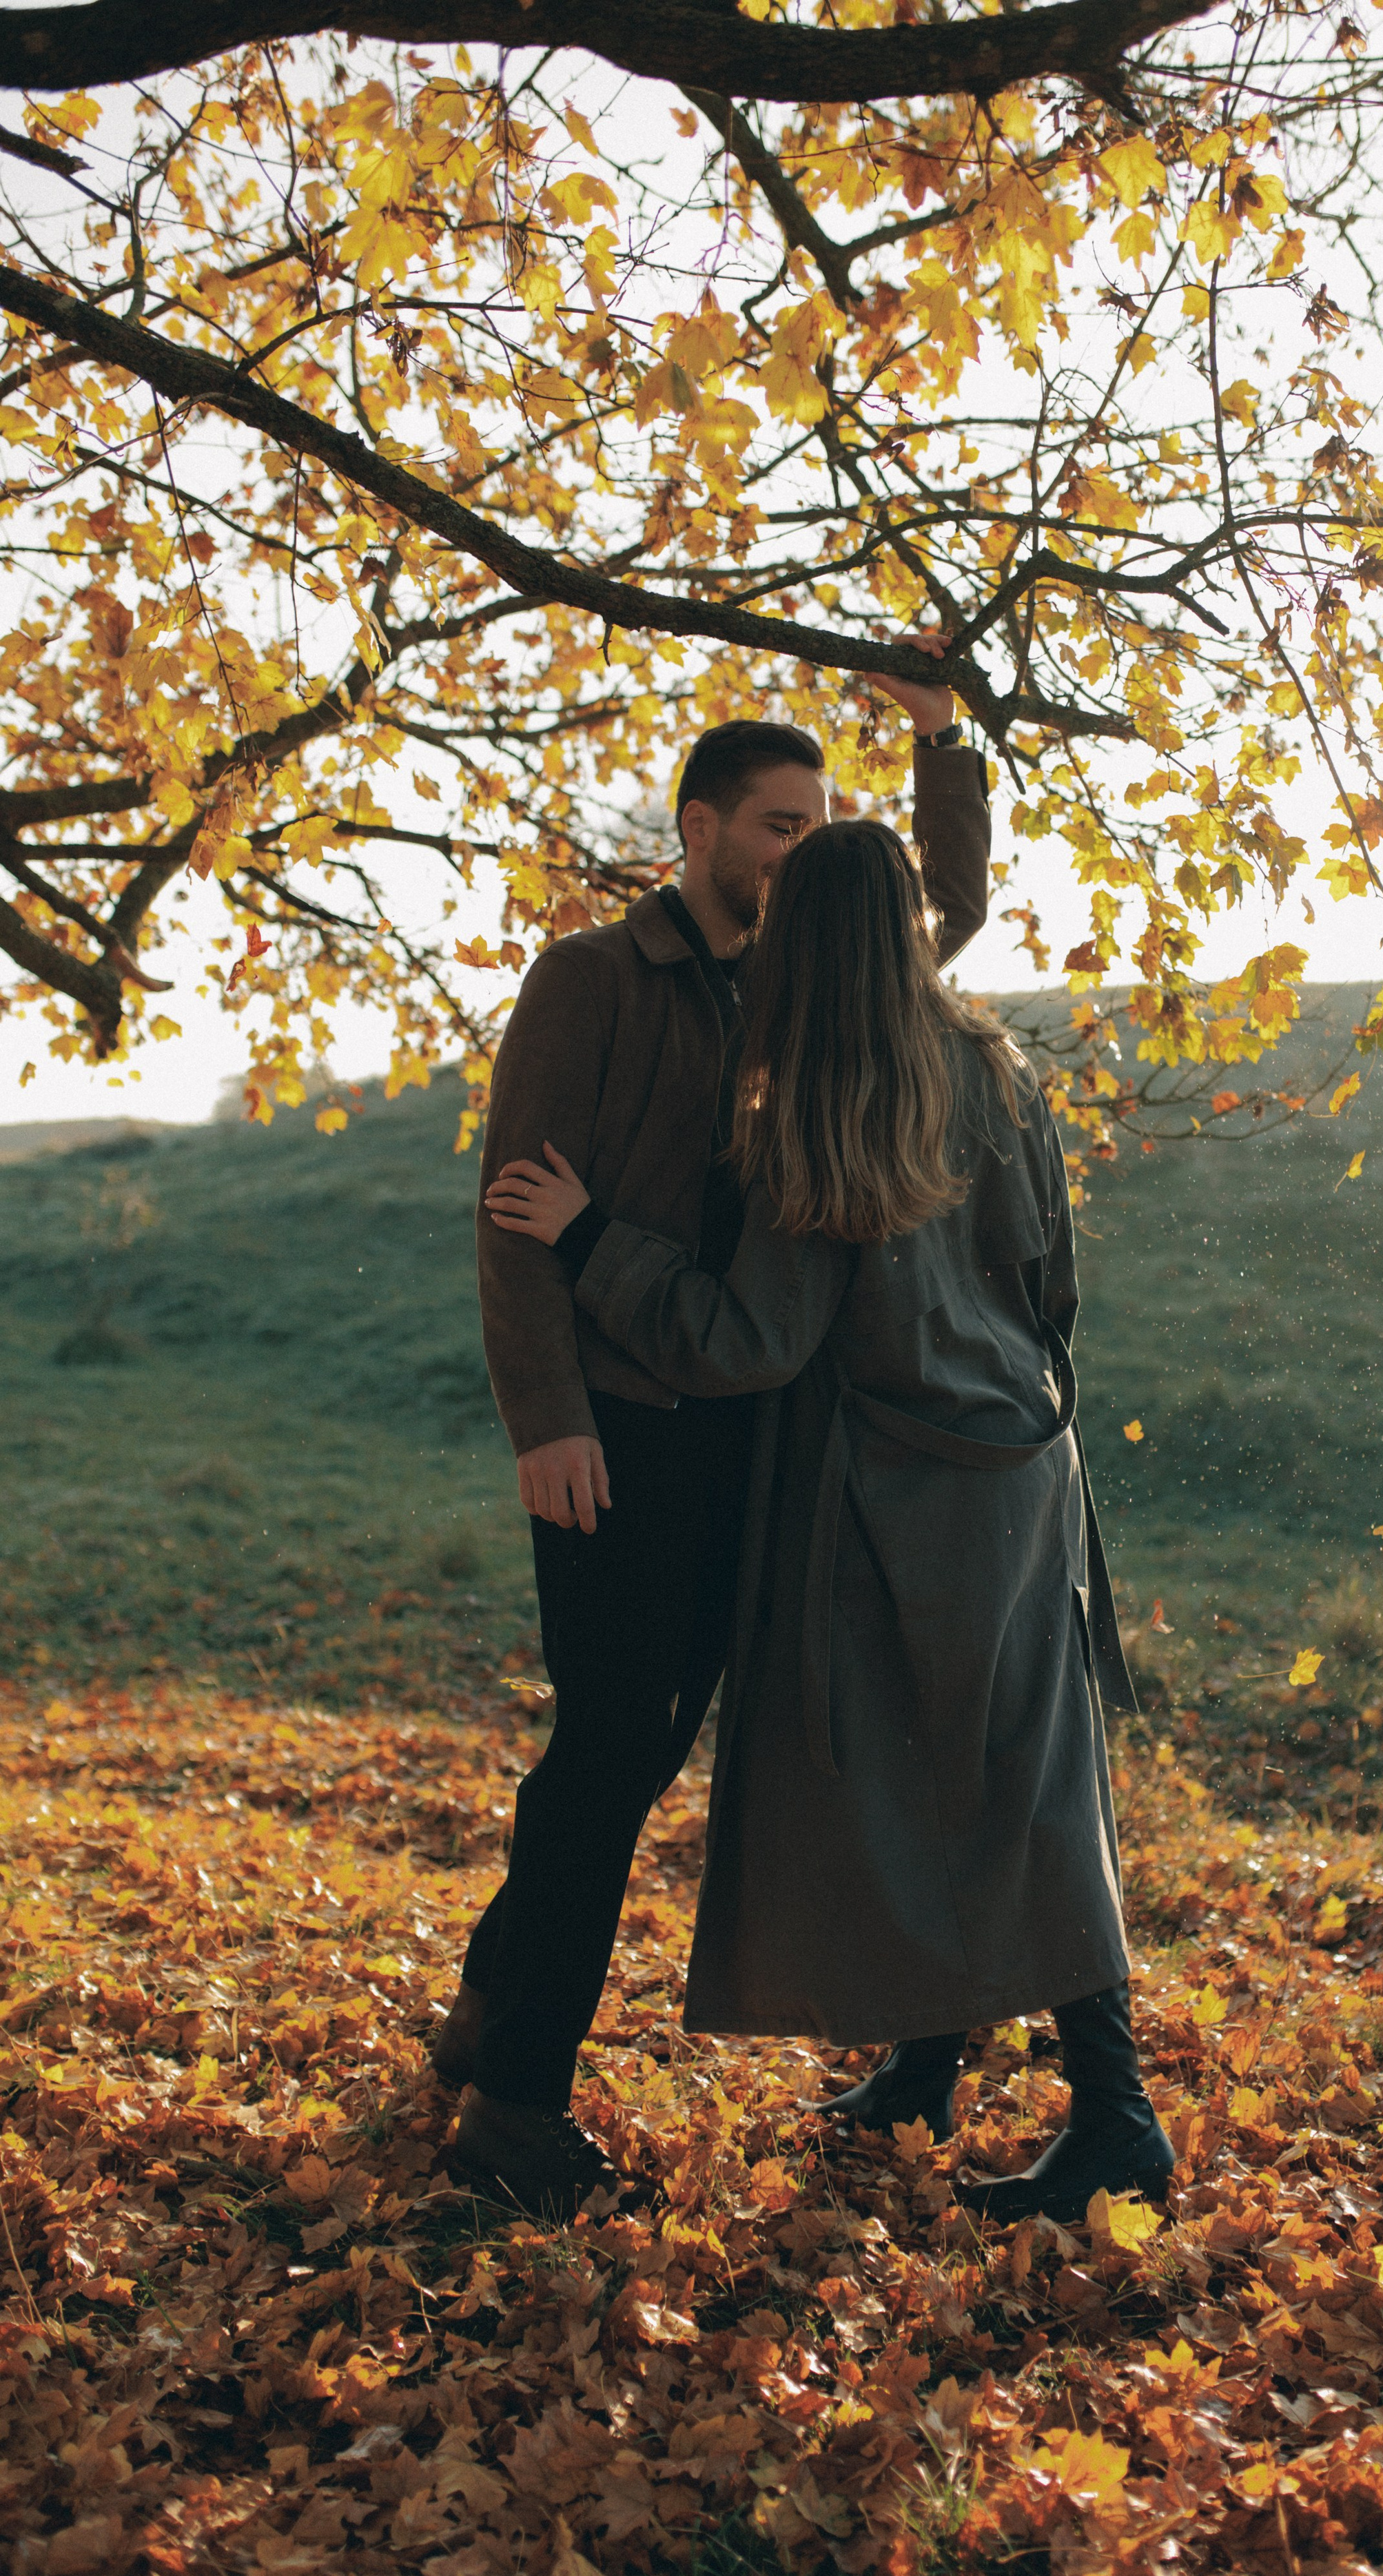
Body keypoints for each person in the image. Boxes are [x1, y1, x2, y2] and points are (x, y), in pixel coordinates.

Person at [486, 820, 1175, 2228]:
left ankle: (1115, 2116)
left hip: (902, 1489)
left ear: (801, 942)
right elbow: (1048, 1278)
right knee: (987, 1774)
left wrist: (586, 1238)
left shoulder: (823, 1103)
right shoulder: (988, 1062)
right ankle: (926, 2065)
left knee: (984, 1795)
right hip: (1026, 1466)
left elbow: (742, 1339)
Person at [436, 666, 990, 2215]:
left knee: (634, 1752)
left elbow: (936, 903)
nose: (799, 848)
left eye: (817, 825)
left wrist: (940, 745)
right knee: (609, 1746)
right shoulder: (588, 982)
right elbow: (510, 1223)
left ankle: (489, 2004)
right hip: (611, 1429)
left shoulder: (811, 976)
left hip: (745, 1438)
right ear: (696, 828)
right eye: (773, 823)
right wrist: (544, 1420)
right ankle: (514, 2097)